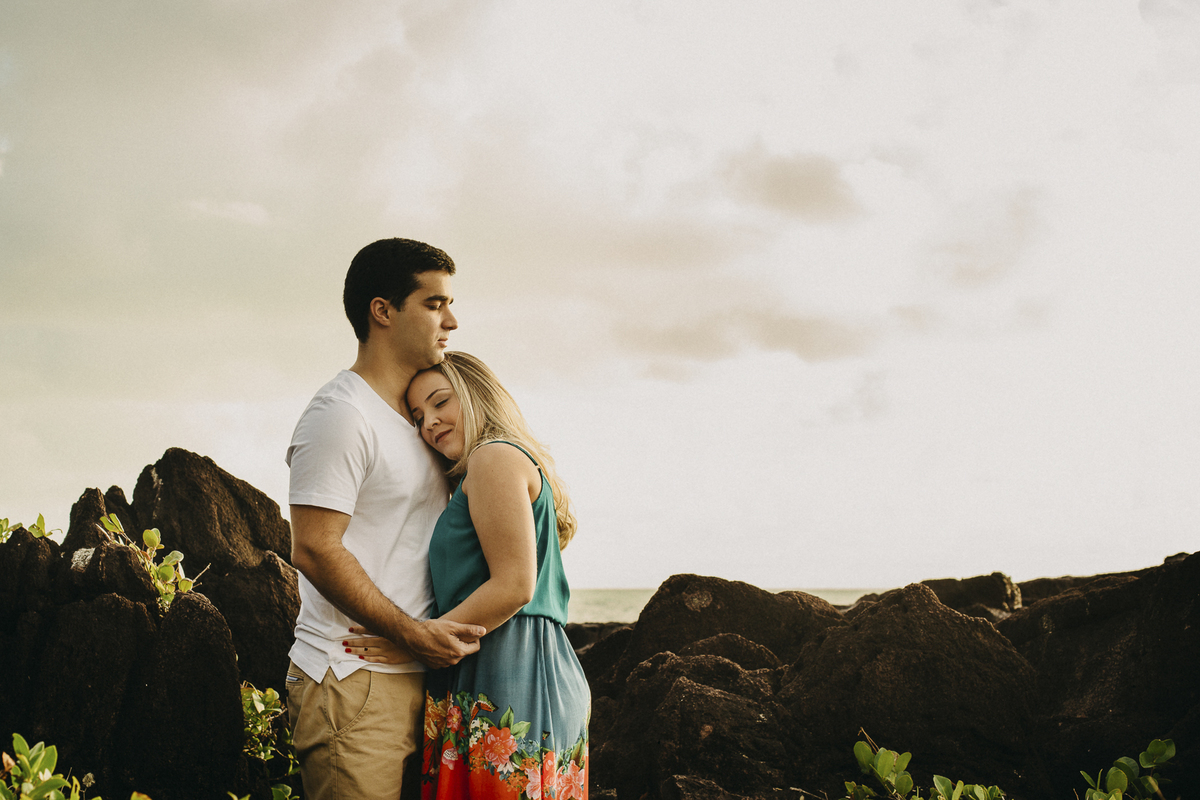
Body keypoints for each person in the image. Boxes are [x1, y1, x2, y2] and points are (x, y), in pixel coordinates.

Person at [285, 239, 486, 800]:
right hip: (352, 681)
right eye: (433, 304)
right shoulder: (340, 416)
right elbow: (315, 548)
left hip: (417, 675)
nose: (451, 320)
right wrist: (413, 635)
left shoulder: (423, 421)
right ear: (383, 310)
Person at [346, 352, 590, 800]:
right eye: (418, 416)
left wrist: (413, 639)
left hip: (512, 670)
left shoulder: (493, 457)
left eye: (441, 403)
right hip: (509, 663)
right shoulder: (486, 467)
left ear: (477, 395)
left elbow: (515, 585)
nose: (430, 423)